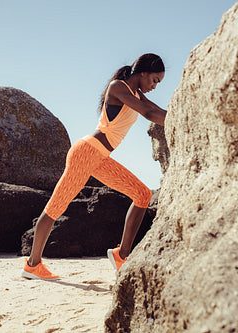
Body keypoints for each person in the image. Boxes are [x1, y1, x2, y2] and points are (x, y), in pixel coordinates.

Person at [22, 53, 167, 280]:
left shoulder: (136, 93)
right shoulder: (118, 87)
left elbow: (157, 110)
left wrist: (181, 116)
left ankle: (121, 255)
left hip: (99, 157)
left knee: (142, 194)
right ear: (143, 72)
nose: (154, 86)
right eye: (154, 80)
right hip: (86, 153)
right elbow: (148, 113)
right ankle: (33, 264)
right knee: (55, 208)